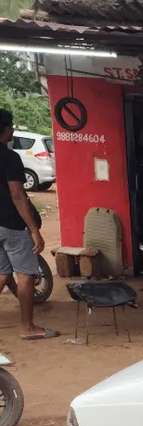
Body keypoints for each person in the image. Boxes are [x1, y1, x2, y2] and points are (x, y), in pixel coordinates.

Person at [0, 109, 57, 339]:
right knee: (25, 275)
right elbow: (17, 194)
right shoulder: (9, 157)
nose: (13, 130)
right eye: (10, 126)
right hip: (11, 224)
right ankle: (28, 328)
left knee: (2, 274)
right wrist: (34, 230)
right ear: (4, 130)